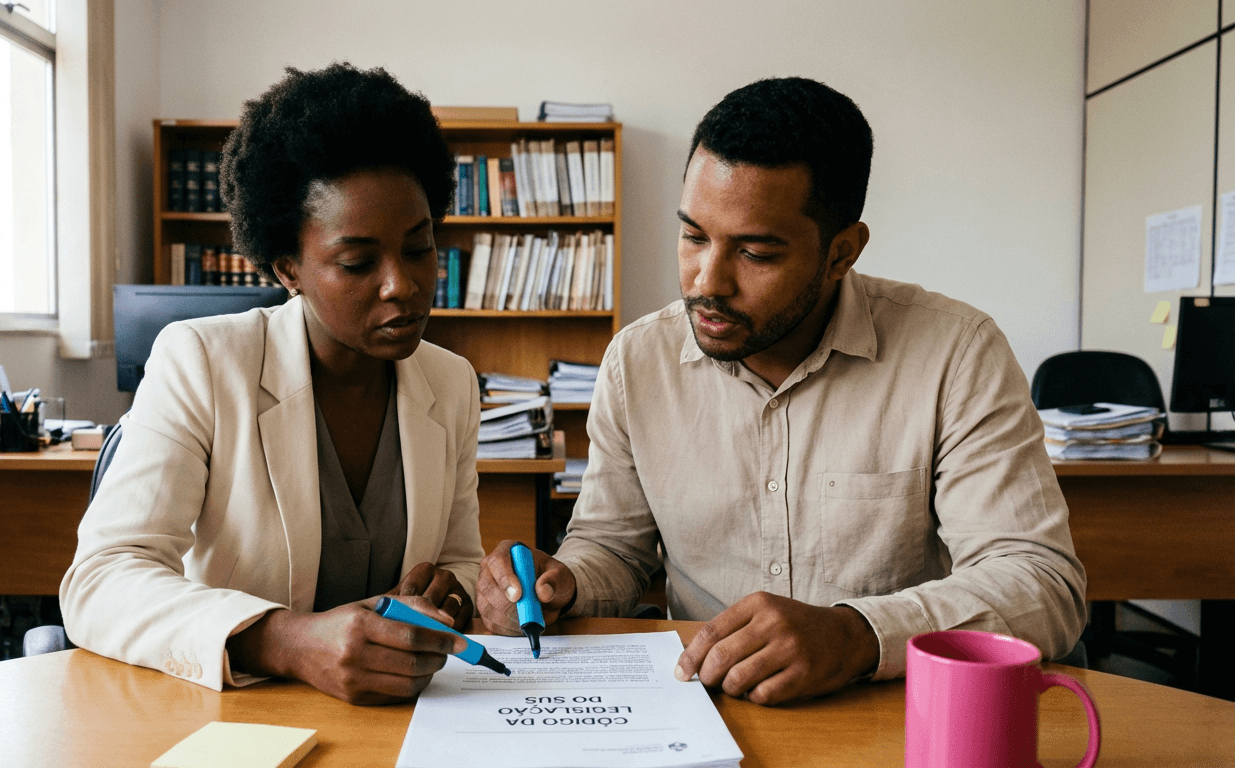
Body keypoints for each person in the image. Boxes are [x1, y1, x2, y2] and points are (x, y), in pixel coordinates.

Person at [478, 77, 1087, 705]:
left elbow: (1041, 584)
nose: (706, 282)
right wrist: (564, 584)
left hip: (892, 713)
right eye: (693, 237)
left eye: (756, 253)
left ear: (841, 252)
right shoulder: (638, 360)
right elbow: (613, 548)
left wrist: (857, 635)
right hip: (706, 712)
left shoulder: (956, 352)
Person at [61, 63, 484, 704]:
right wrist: (284, 641)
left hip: (399, 721)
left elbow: (461, 559)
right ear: (288, 269)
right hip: (240, 719)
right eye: (358, 262)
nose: (402, 284)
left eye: (420, 248)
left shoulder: (449, 382)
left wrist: (448, 591)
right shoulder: (202, 362)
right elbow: (100, 578)